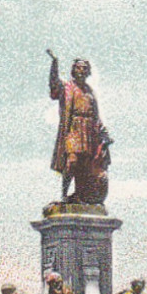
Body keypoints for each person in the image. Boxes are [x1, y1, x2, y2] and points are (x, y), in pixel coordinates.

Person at [47, 51, 112, 205]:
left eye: (84, 68)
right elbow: (54, 85)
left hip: (89, 130)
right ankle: (64, 194)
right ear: (73, 70)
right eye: (78, 68)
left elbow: (96, 116)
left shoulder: (90, 92)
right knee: (72, 161)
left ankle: (79, 195)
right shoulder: (67, 87)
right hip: (74, 129)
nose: (81, 71)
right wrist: (54, 64)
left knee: (85, 166)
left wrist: (103, 132)